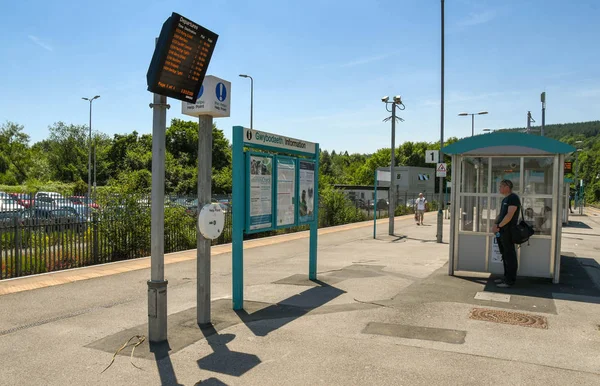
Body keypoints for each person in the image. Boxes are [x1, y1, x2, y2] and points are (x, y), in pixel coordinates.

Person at [491, 179, 521, 288]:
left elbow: (509, 215)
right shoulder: (505, 199)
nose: (499, 188)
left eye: (501, 186)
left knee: (510, 255)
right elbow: (501, 215)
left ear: (507, 187)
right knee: (505, 255)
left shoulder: (513, 198)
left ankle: (510, 281)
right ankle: (506, 277)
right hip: (502, 231)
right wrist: (495, 224)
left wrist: (499, 226)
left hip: (508, 232)